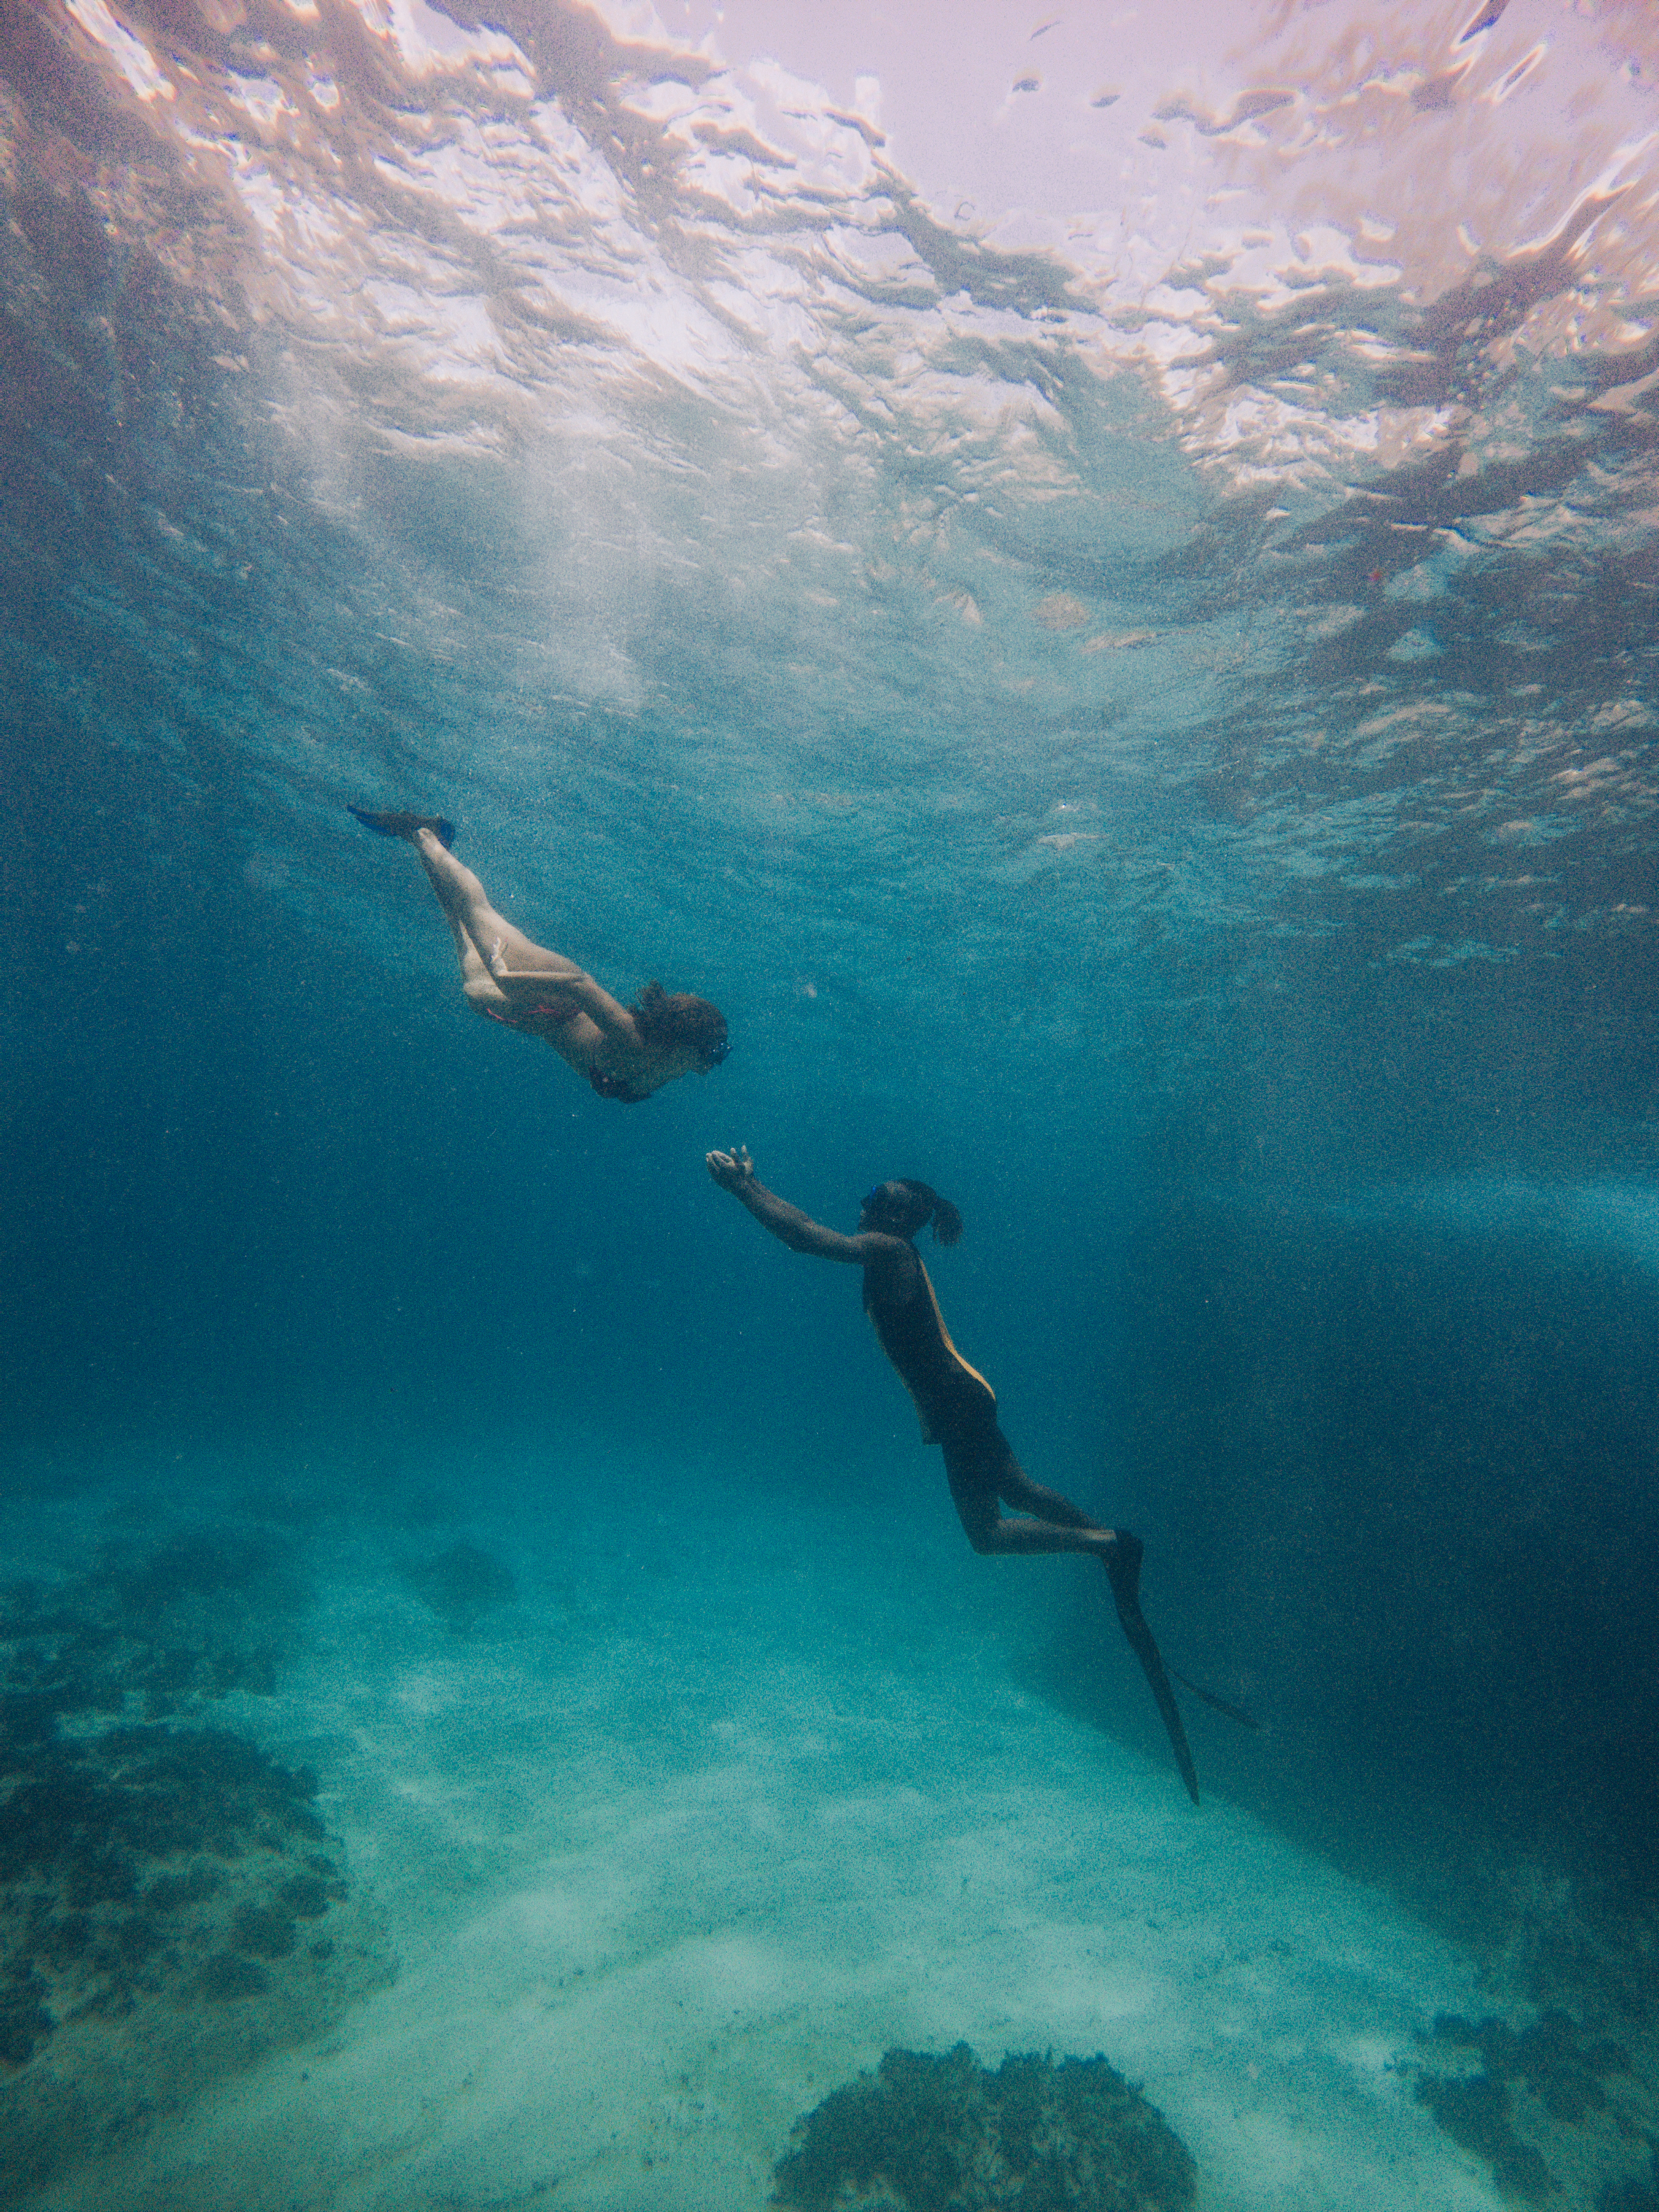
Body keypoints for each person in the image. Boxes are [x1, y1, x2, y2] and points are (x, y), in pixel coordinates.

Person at [705, 1146, 1208, 1802]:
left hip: (957, 1405)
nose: (862, 1201)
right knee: (1020, 1489)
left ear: (897, 1216)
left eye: (875, 1198)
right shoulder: (893, 1250)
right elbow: (813, 1235)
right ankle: (1107, 1548)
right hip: (966, 1397)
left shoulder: (886, 1250)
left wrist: (745, 1189)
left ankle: (1109, 1546)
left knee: (989, 1533)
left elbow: (804, 1237)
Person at [350, 809, 729, 1104]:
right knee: (477, 917)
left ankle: (426, 842)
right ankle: (423, 833)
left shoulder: (668, 1069)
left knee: (462, 929)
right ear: (686, 1040)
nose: (713, 1066)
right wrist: (506, 979)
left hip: (543, 1016)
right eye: (713, 1052)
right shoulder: (632, 1039)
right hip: (554, 994)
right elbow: (578, 984)